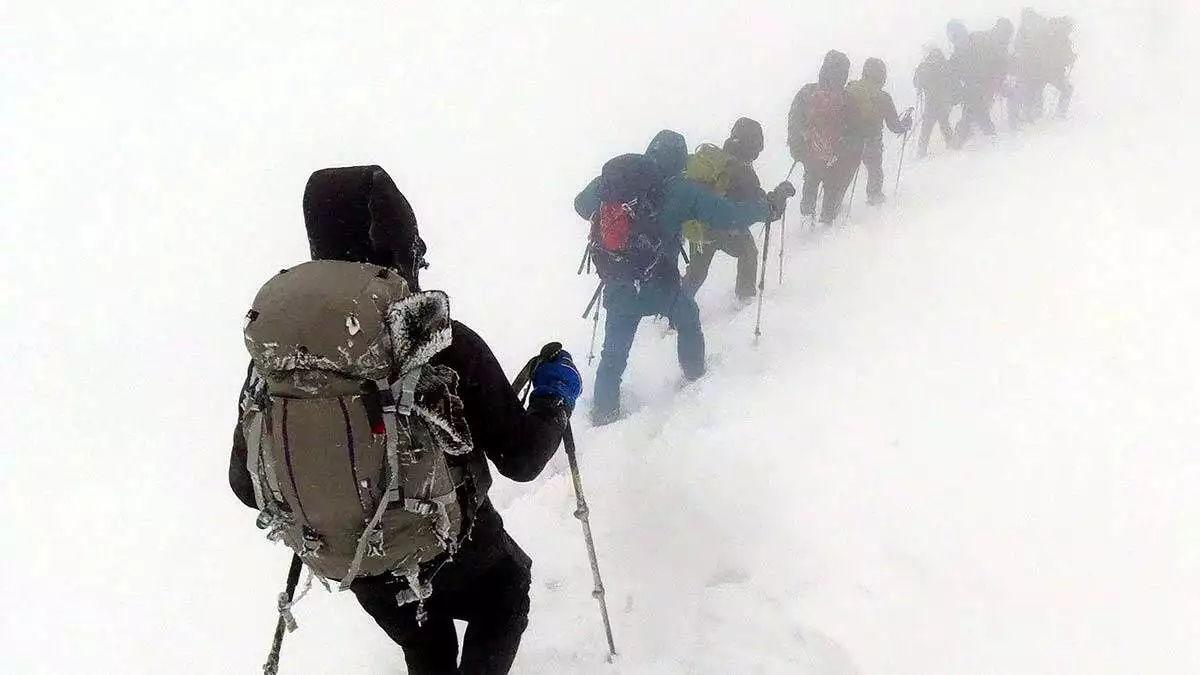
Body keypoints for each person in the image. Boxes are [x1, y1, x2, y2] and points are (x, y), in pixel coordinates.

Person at [228, 165, 581, 675]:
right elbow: (522, 458)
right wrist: (553, 397)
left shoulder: (276, 358)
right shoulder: (438, 338)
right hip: (452, 546)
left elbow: (245, 483)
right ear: (400, 241)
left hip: (357, 561)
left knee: (424, 644)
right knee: (505, 592)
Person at [574, 130, 792, 425]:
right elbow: (729, 215)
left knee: (613, 356)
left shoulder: (617, 183)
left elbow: (581, 204)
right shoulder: (682, 191)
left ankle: (603, 412)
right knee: (688, 317)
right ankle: (695, 375)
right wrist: (768, 207)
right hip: (661, 285)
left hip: (619, 284)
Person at [681, 117, 768, 302]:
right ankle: (745, 298)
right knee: (748, 252)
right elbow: (758, 205)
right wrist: (776, 200)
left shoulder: (716, 158)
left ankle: (674, 313)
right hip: (728, 227)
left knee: (696, 273)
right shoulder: (744, 171)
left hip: (701, 227)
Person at [787, 50, 862, 224]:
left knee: (811, 182)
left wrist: (796, 148)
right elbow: (855, 131)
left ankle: (806, 219)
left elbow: (795, 121)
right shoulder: (847, 99)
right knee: (833, 187)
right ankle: (826, 227)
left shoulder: (807, 93)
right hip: (836, 156)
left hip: (810, 152)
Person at [846, 58, 913, 205]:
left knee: (845, 173)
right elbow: (894, 126)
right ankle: (874, 200)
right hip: (871, 142)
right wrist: (905, 125)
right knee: (874, 171)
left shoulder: (850, 88)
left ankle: (831, 206)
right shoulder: (883, 97)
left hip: (848, 140)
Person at [913, 45, 961, 156]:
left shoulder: (924, 67)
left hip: (931, 102)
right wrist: (955, 98)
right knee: (944, 123)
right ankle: (952, 147)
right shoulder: (945, 65)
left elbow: (916, 83)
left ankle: (922, 150)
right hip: (943, 102)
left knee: (927, 127)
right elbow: (954, 82)